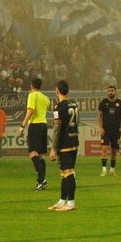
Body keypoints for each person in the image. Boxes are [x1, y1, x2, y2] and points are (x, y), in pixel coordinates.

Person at [48, 80, 78, 211]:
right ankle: (62, 200)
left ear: (57, 91)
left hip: (64, 144)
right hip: (74, 142)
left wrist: (53, 149)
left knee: (68, 173)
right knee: (64, 173)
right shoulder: (74, 104)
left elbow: (57, 130)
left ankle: (70, 203)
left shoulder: (58, 108)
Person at [20, 76, 50, 191]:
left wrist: (23, 125)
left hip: (35, 125)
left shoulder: (32, 95)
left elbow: (31, 110)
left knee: (33, 153)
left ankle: (42, 180)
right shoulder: (46, 98)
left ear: (32, 85)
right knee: (41, 154)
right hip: (44, 125)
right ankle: (42, 181)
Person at [98, 84, 121, 176]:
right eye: (109, 91)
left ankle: (112, 170)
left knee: (114, 151)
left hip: (116, 130)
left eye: (112, 91)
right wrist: (100, 127)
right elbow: (99, 115)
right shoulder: (103, 103)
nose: (110, 92)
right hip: (105, 130)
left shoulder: (120, 103)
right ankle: (104, 170)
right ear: (107, 92)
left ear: (115, 91)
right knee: (104, 149)